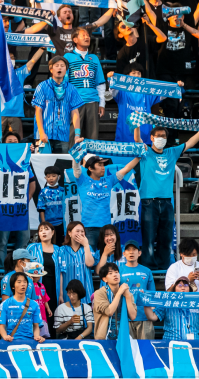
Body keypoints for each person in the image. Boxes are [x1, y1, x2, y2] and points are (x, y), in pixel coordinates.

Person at [134, 126, 199, 270]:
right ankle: (149, 270)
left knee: (166, 238)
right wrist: (137, 125)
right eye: (158, 135)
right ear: (151, 138)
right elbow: (137, 139)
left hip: (167, 202)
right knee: (148, 238)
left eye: (163, 136)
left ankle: (164, 270)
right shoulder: (145, 151)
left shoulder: (172, 152)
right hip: (149, 202)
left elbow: (190, 142)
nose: (161, 138)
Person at [71, 154, 140, 251]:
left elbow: (126, 169)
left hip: (106, 228)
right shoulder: (83, 181)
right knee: (90, 256)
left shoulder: (109, 180)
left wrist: (138, 157)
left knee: (106, 256)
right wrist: (77, 152)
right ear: (90, 168)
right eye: (99, 165)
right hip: (89, 227)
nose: (103, 167)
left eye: (103, 165)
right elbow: (76, 168)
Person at [32, 55, 84, 154]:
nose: (59, 68)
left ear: (66, 69)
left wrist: (77, 135)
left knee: (61, 162)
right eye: (56, 65)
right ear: (51, 69)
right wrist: (41, 132)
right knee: (42, 162)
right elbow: (38, 111)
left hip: (63, 135)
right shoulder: (42, 86)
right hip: (44, 134)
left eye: (62, 66)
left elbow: (75, 113)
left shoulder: (71, 89)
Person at [108, 64, 172, 143]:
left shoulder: (147, 92)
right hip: (125, 136)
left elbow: (164, 94)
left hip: (145, 137)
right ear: (127, 75)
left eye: (139, 73)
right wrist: (112, 78)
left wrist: (176, 87)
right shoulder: (121, 92)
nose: (136, 76)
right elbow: (113, 90)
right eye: (133, 73)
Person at [65, 27, 106, 143]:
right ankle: (73, 156)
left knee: (92, 138)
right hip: (74, 102)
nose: (87, 37)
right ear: (75, 39)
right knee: (73, 136)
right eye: (83, 35)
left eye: (88, 35)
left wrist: (102, 103)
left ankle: (91, 156)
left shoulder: (94, 58)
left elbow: (100, 83)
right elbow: (64, 83)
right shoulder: (67, 57)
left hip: (92, 101)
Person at [27, 222, 61, 336]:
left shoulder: (58, 249)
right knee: (38, 313)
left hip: (53, 286)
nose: (43, 232)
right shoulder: (32, 247)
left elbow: (61, 272)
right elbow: (25, 267)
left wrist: (61, 294)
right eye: (41, 230)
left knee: (52, 313)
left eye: (46, 229)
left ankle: (52, 339)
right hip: (37, 286)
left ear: (53, 232)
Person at [119, 240, 156, 340]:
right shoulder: (118, 271)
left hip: (144, 316)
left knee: (146, 348)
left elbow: (152, 294)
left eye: (134, 249)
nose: (131, 252)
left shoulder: (147, 271)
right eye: (128, 250)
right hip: (125, 317)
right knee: (128, 348)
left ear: (139, 253)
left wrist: (152, 313)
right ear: (124, 253)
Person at [0, 271, 44, 343]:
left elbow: (36, 326)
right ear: (13, 286)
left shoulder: (34, 304)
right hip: (11, 341)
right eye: (19, 282)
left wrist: (37, 336)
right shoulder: (5, 304)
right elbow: (1, 326)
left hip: (29, 341)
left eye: (25, 282)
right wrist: (5, 336)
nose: (23, 284)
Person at [93, 263, 137, 340]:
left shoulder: (127, 293)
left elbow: (133, 316)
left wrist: (127, 296)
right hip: (104, 337)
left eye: (116, 272)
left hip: (123, 338)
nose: (115, 275)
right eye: (110, 273)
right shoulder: (99, 293)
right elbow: (109, 311)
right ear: (104, 279)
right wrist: (119, 293)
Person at [59, 221, 95, 304]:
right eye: (77, 231)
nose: (80, 233)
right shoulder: (62, 250)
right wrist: (60, 294)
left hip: (86, 294)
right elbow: (60, 273)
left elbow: (90, 263)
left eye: (82, 231)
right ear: (69, 233)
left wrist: (86, 245)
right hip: (68, 295)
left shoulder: (87, 247)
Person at [36, 166, 64, 242]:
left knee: (60, 243)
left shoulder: (63, 191)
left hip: (62, 223)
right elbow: (41, 209)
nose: (51, 178)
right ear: (45, 178)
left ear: (59, 177)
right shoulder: (43, 192)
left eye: (54, 176)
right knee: (49, 243)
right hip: (48, 224)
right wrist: (44, 223)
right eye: (48, 176)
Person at [25, 262, 52, 338]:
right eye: (37, 276)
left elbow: (45, 299)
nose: (39, 277)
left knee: (43, 335)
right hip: (32, 313)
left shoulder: (42, 285)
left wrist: (48, 309)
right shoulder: (28, 286)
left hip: (42, 314)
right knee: (33, 334)